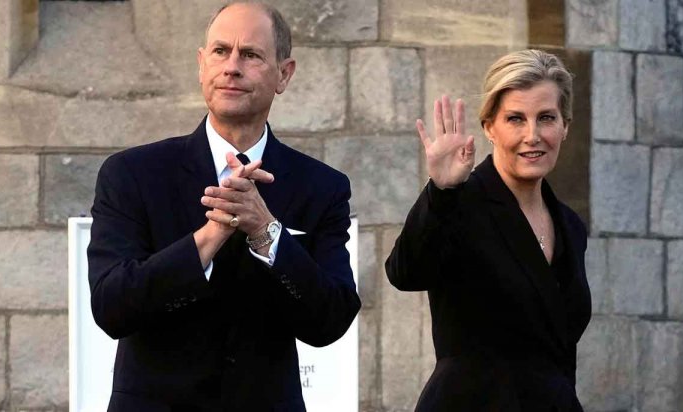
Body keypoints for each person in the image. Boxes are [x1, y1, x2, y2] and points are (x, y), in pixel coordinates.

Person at [87, 2, 361, 410]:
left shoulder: (321, 187)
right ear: (202, 65)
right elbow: (111, 306)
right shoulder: (133, 174)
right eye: (220, 51)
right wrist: (211, 235)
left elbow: (331, 320)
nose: (232, 67)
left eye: (250, 55)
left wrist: (267, 233)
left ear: (284, 74)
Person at [385, 49, 592, 411]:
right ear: (489, 127)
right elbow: (406, 273)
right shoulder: (458, 202)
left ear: (565, 126)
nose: (532, 135)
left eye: (546, 118)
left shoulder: (570, 225)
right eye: (515, 119)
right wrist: (441, 191)